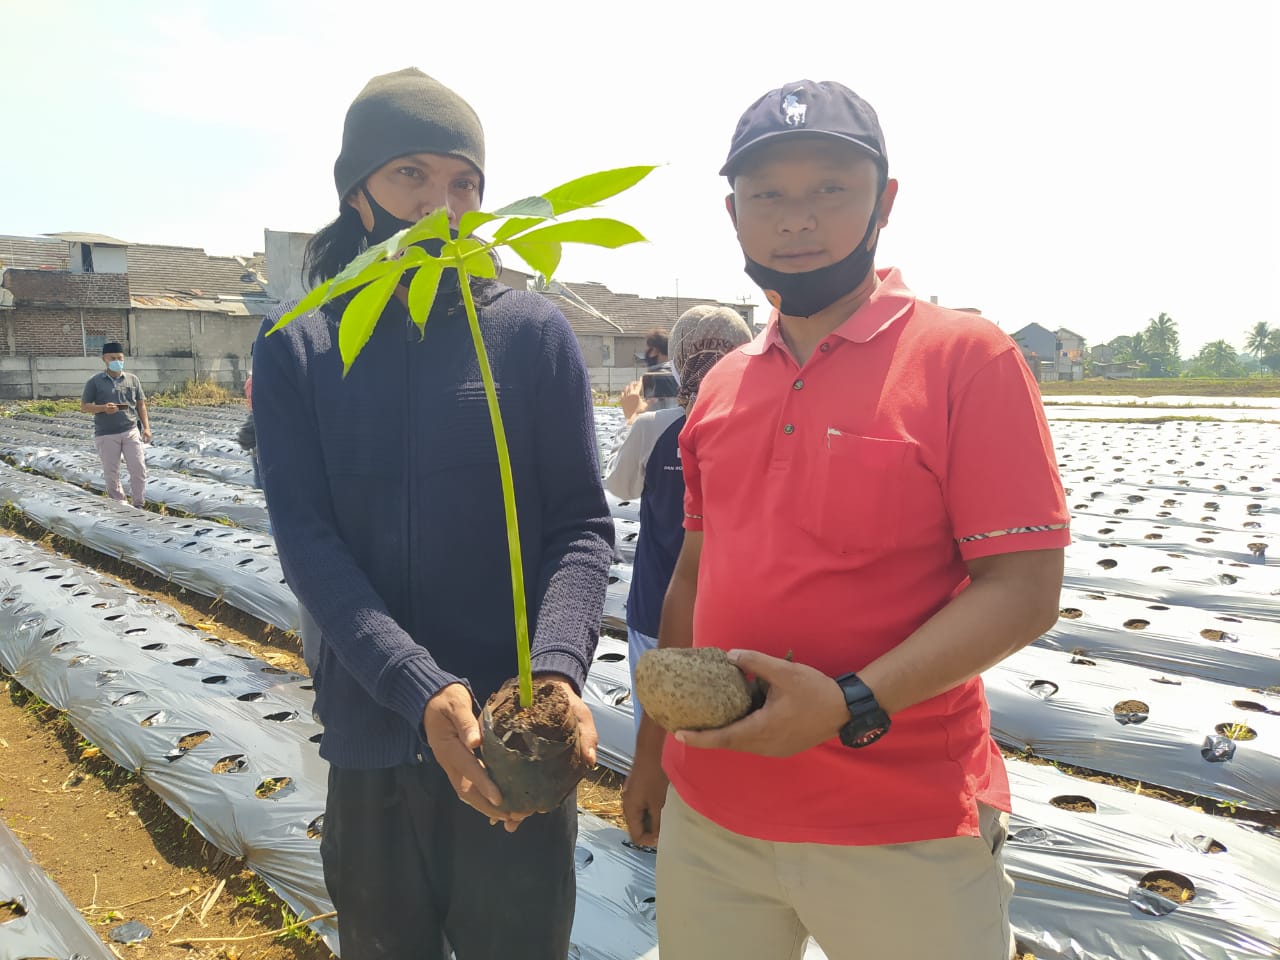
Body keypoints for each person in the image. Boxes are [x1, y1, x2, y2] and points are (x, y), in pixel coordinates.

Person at [622, 80, 1069, 960]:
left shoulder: (965, 359)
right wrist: (650, 755)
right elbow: (694, 574)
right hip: (716, 817)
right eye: (769, 196)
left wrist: (849, 704)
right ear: (735, 215)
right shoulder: (722, 388)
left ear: (884, 203)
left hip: (901, 824)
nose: (798, 219)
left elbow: (1022, 588)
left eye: (831, 187)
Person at [252, 68, 614, 959]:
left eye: (464, 183)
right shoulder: (301, 344)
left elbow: (580, 524)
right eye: (411, 174)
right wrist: (417, 687)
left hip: (511, 741)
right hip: (376, 739)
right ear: (359, 193)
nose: (441, 204)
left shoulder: (530, 333)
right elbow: (308, 542)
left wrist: (558, 675)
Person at [604, 305, 752, 732]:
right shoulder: (761, 425)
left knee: (658, 730)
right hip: (732, 618)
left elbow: (622, 488)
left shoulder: (654, 426)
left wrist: (631, 418)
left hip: (655, 610)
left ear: (680, 355)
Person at [80, 340, 150, 508]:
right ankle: (120, 505)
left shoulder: (132, 380)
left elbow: (141, 405)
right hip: (106, 433)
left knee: (138, 469)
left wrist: (146, 428)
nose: (117, 361)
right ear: (104, 359)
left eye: (120, 357)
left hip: (130, 430)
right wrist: (103, 408)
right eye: (113, 358)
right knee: (112, 473)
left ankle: (139, 504)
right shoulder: (95, 381)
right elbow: (84, 406)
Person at [618, 327, 677, 424]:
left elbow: (650, 416)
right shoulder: (679, 374)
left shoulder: (655, 378)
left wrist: (632, 413)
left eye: (647, 350)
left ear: (654, 350)